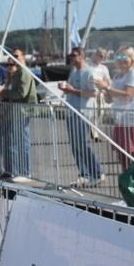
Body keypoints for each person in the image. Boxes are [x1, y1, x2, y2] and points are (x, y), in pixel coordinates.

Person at [94, 46, 134, 169]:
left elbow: (128, 94)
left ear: (132, 58)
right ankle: (127, 180)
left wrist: (107, 88)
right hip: (120, 120)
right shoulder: (117, 76)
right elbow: (110, 99)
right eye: (119, 56)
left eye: (125, 56)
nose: (121, 59)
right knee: (122, 153)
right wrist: (103, 90)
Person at [58, 48, 104, 186]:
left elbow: (93, 93)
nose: (71, 57)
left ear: (82, 56)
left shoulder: (88, 72)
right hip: (71, 111)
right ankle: (84, 173)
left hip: (82, 112)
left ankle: (97, 172)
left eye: (74, 55)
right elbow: (71, 89)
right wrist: (65, 88)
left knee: (82, 144)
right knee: (74, 145)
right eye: (70, 55)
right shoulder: (74, 71)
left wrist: (72, 90)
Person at [0, 49, 37, 182]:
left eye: (16, 56)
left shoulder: (23, 72)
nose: (12, 59)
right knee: (10, 141)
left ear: (23, 57)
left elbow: (21, 93)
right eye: (11, 57)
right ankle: (10, 170)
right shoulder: (14, 74)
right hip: (12, 112)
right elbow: (11, 91)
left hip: (21, 111)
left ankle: (24, 172)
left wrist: (3, 94)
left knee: (21, 141)